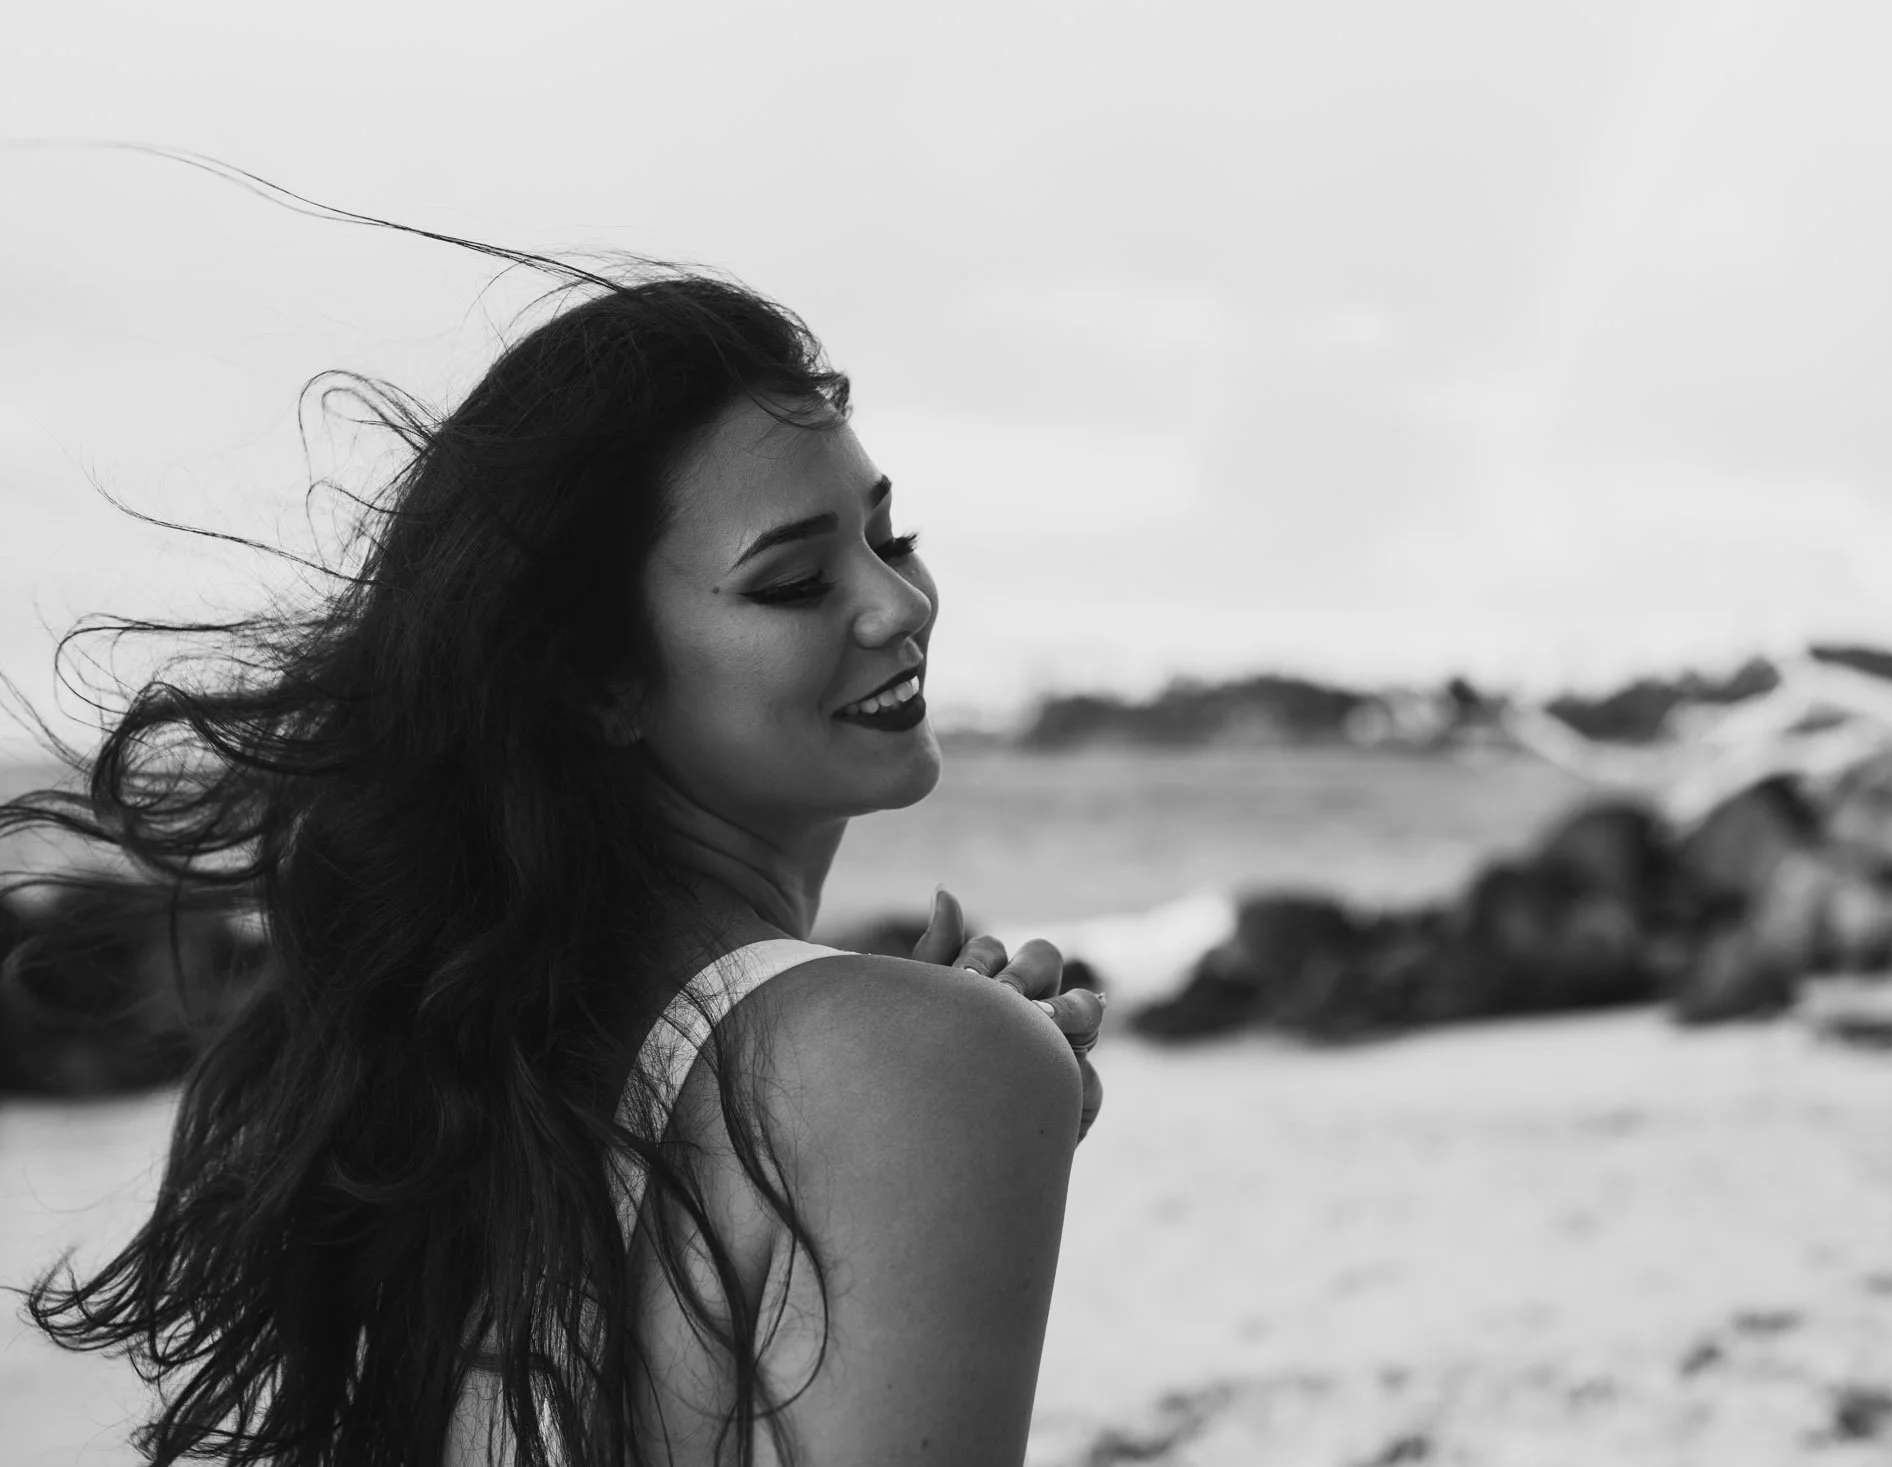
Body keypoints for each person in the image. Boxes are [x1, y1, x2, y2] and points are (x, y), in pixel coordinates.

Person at [6, 267, 1107, 1466]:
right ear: (600, 684)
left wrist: (940, 1115)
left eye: (889, 536)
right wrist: (951, 1080)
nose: (898, 605)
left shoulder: (501, 1116)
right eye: (795, 581)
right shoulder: (906, 1064)